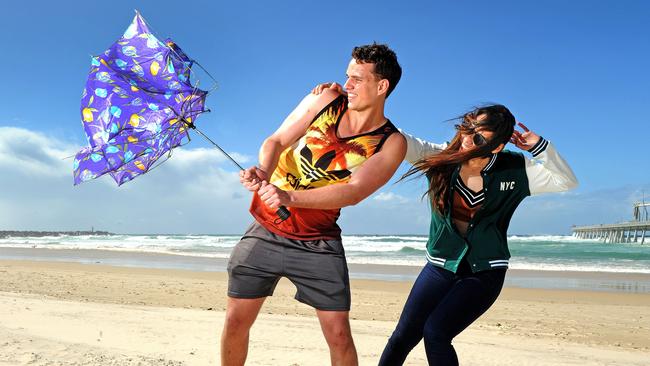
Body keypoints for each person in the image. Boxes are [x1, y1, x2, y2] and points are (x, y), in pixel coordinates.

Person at [220, 43, 406, 366]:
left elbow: (355, 191)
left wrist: (288, 197)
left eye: (357, 79)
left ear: (381, 86)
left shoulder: (391, 143)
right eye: (347, 76)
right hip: (266, 228)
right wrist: (263, 170)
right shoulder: (326, 100)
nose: (346, 84)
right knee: (236, 321)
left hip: (317, 241)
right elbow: (276, 141)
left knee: (339, 335)